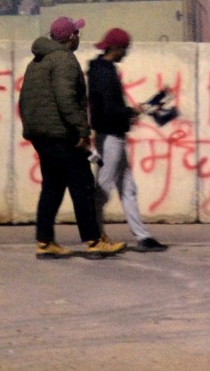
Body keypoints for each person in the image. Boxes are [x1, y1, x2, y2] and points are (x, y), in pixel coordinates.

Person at [18, 16, 125, 259]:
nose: (79, 36)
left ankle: (45, 242)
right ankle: (94, 240)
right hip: (62, 134)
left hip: (41, 135)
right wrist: (81, 131)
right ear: (70, 37)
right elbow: (66, 99)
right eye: (77, 33)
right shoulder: (64, 60)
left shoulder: (37, 61)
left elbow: (24, 100)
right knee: (83, 185)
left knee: (53, 186)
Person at [87, 27, 166, 252]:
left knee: (128, 188)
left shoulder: (102, 69)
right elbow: (109, 108)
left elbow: (107, 108)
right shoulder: (104, 72)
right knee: (103, 188)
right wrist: (132, 111)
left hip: (114, 136)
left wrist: (129, 114)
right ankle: (94, 236)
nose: (126, 53)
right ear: (116, 47)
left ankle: (142, 236)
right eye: (125, 48)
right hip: (110, 138)